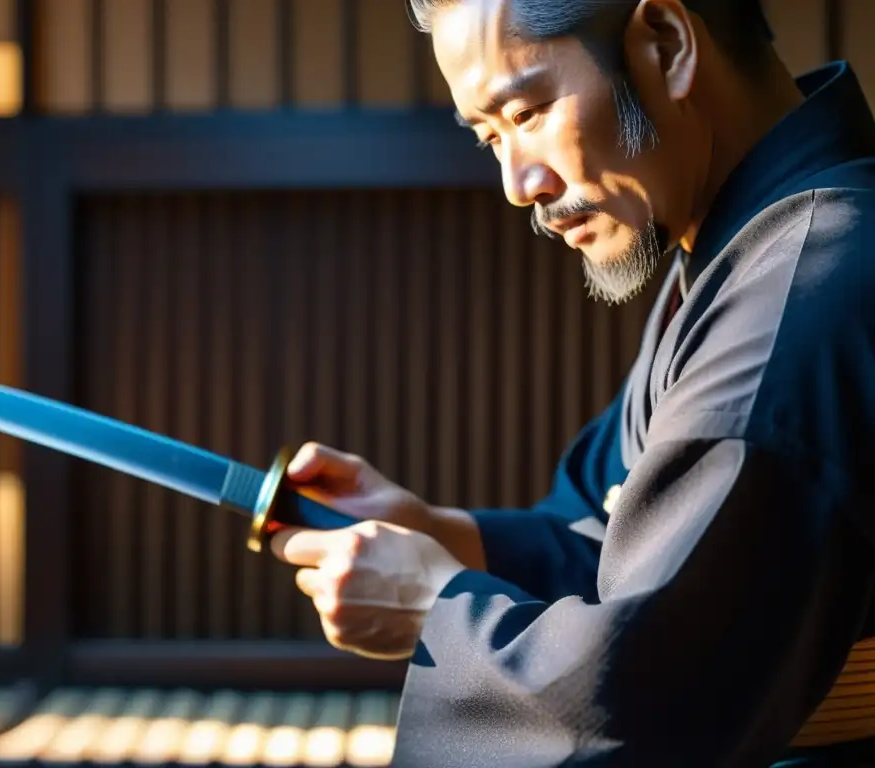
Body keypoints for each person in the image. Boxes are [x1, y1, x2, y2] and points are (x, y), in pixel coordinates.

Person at [270, 0, 875, 765]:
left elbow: (645, 694)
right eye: (491, 138)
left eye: (526, 111)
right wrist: (444, 538)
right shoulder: (748, 255)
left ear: (666, 43)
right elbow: (614, 530)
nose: (517, 184)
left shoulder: (810, 284)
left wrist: (436, 607)